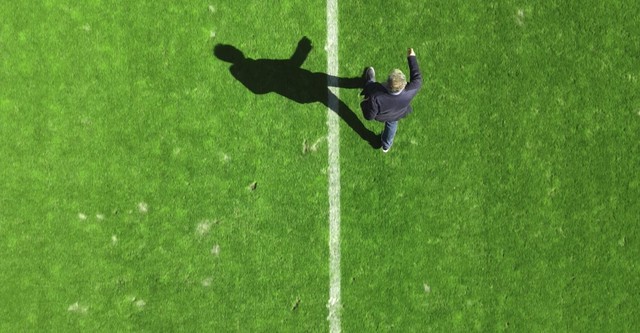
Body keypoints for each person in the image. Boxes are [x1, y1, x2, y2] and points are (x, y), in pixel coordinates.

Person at [360, 48, 423, 153]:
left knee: (370, 85)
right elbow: (417, 78)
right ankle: (386, 146)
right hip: (398, 113)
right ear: (404, 84)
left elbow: (369, 116)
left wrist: (364, 103)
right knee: (392, 125)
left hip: (382, 115)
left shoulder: (376, 95)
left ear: (388, 83)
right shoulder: (412, 88)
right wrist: (411, 57)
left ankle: (370, 79)